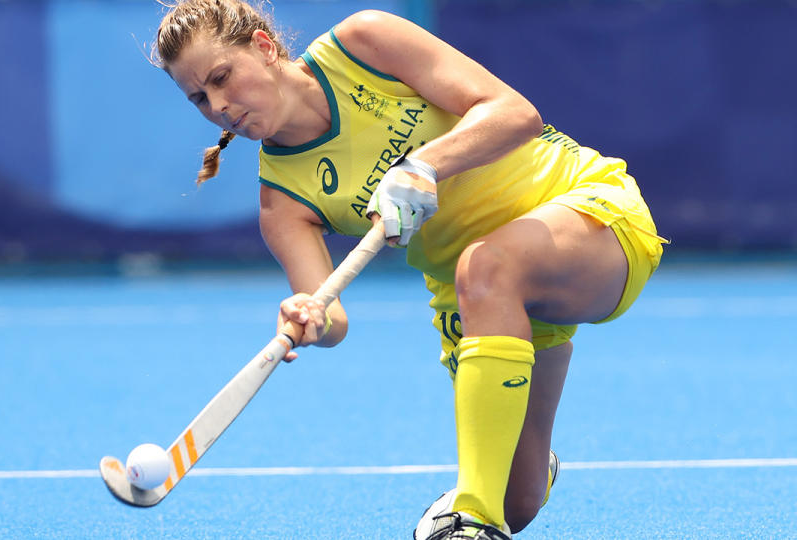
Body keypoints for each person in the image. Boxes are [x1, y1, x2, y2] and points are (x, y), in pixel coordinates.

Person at [153, 1, 666, 538]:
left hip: (587, 213)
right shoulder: (282, 202)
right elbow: (332, 319)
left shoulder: (363, 43)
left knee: (485, 267)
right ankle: (508, 484)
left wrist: (423, 165)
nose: (217, 105)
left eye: (221, 77)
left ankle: (470, 519)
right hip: (479, 298)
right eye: (199, 98)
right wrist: (310, 315)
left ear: (263, 47)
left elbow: (515, 114)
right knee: (516, 501)